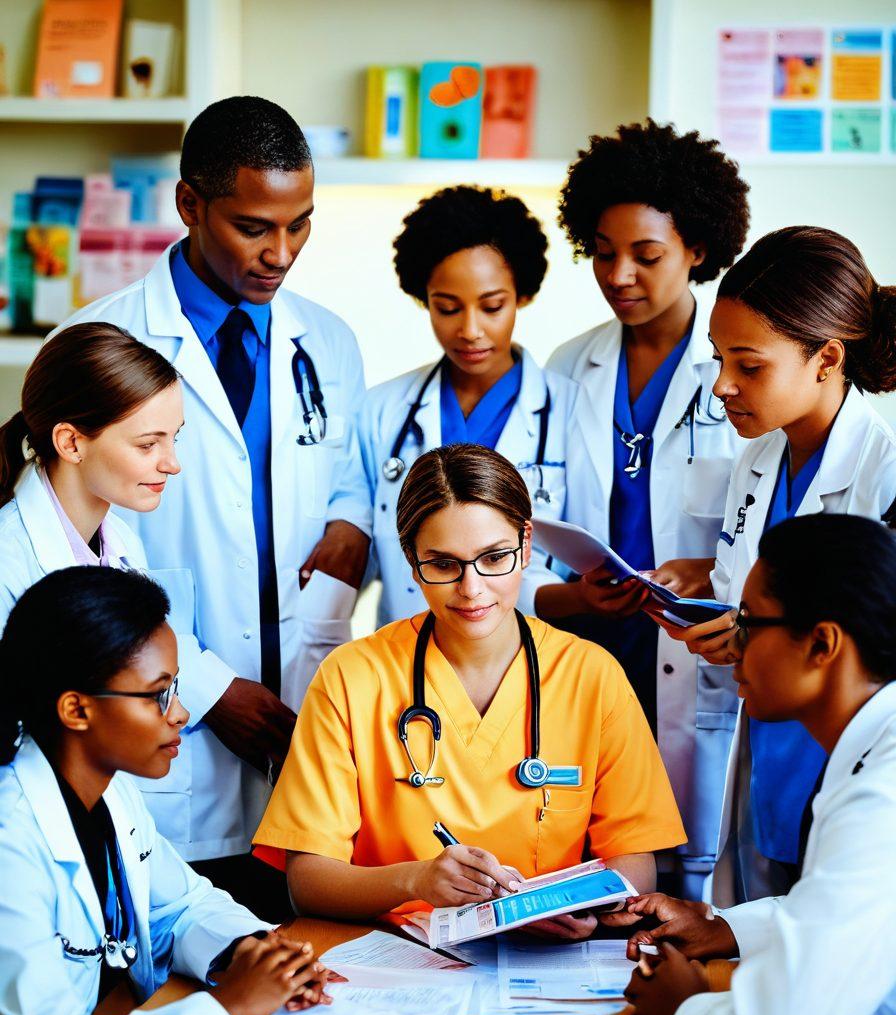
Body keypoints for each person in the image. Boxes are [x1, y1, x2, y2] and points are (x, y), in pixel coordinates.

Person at [51, 96, 373, 915]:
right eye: (254, 227)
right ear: (190, 206)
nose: (282, 253)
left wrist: (350, 523)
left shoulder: (327, 339)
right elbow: (74, 545)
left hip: (303, 694)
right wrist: (208, 683)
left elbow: (344, 473)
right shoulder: (104, 341)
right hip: (175, 710)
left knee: (300, 963)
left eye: (300, 224)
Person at [254, 444, 686, 931]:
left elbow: (634, 862)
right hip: (399, 962)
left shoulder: (592, 675)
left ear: (526, 544)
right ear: (411, 560)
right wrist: (416, 882)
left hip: (547, 966)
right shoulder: (352, 677)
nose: (472, 588)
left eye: (494, 558)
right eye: (443, 565)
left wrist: (571, 907)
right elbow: (307, 880)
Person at [0, 567, 328, 1015]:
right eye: (158, 695)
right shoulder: (9, 842)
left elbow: (181, 904)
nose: (180, 714)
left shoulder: (110, 788)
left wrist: (252, 954)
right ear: (76, 709)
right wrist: (233, 1007)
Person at [621, 514, 896, 1015]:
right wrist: (726, 928)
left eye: (749, 621)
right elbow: (854, 914)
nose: (730, 644)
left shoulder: (882, 794)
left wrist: (681, 1011)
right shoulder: (870, 750)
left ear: (822, 645)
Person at [538, 121, 750, 896]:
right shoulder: (571, 365)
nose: (618, 274)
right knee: (592, 872)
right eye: (601, 251)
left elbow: (769, 529)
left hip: (695, 660)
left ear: (697, 249)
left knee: (693, 874)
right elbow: (539, 518)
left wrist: (717, 574)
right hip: (594, 648)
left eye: (647, 255)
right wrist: (570, 589)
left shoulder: (737, 370)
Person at [656, 227, 896, 905]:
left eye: (749, 366)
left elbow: (872, 653)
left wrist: (746, 633)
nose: (723, 387)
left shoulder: (885, 475)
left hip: (847, 763)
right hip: (763, 751)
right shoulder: (758, 461)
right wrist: (723, 625)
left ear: (825, 357)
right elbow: (747, 601)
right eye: (718, 360)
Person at [360, 184, 575, 626]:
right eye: (448, 308)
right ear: (424, 299)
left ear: (523, 295)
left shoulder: (572, 410)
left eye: (492, 306)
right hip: (407, 660)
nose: (470, 330)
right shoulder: (383, 411)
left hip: (527, 654)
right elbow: (360, 556)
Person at [0, 324, 181, 620]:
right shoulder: (7, 563)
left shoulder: (124, 545)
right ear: (71, 443)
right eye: (148, 444)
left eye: (174, 438)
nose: (172, 465)